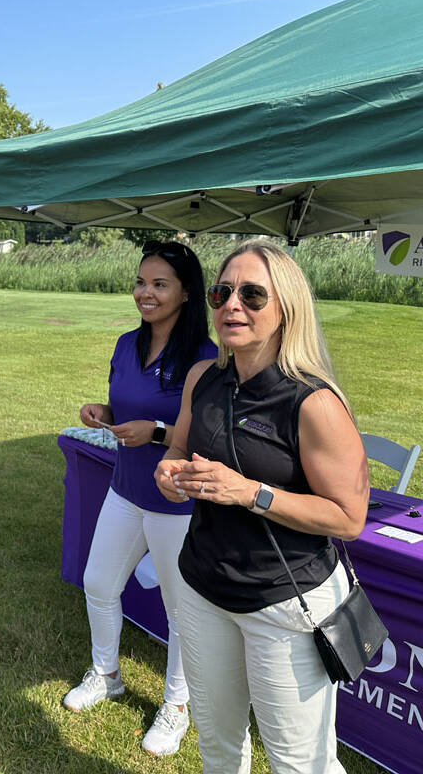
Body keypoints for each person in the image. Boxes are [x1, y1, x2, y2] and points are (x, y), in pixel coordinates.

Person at [155, 241, 368, 773]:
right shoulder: (204, 378)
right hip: (204, 588)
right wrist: (169, 473)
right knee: (219, 747)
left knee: (300, 764)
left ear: (286, 310)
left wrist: (251, 491)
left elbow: (349, 517)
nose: (232, 305)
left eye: (252, 295)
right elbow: (179, 449)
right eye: (222, 292)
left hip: (283, 604)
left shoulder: (313, 402)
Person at [63, 240, 217, 757]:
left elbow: (211, 438)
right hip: (125, 490)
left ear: (186, 292)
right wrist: (102, 411)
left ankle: (176, 705)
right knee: (98, 583)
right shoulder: (127, 342)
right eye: (140, 282)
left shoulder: (205, 357)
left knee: (181, 610)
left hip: (178, 502)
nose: (144, 293)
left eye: (159, 284)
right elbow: (124, 405)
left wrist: (154, 432)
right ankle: (106, 673)